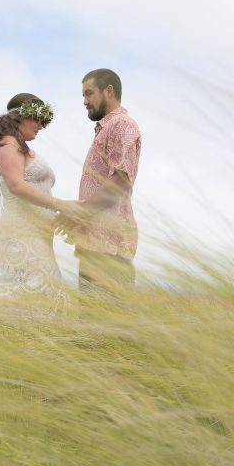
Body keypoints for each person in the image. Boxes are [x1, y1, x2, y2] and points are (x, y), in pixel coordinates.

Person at [0, 93, 74, 318]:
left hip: (36, 233)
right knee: (34, 287)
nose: (41, 125)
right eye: (38, 119)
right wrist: (61, 205)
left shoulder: (19, 147)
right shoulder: (7, 144)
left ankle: (22, 342)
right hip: (20, 233)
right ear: (20, 117)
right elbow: (16, 185)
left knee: (42, 290)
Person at [55, 69, 142, 298]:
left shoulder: (121, 125)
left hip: (109, 249)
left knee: (113, 329)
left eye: (89, 93)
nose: (84, 101)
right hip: (95, 245)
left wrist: (79, 213)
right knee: (93, 326)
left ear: (109, 91)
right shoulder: (107, 128)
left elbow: (121, 182)